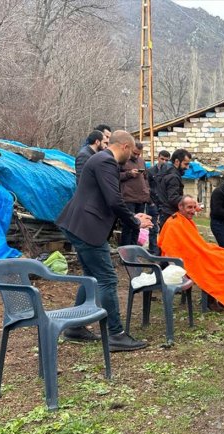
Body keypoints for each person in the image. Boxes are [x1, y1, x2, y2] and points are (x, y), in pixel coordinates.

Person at [56, 130, 152, 352]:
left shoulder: (100, 160)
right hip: (87, 227)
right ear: (126, 147)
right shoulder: (106, 161)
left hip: (80, 224)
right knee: (107, 279)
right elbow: (114, 200)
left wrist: (133, 218)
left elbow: (106, 198)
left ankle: (75, 328)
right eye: (131, 154)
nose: (130, 160)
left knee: (91, 276)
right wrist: (135, 224)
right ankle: (116, 334)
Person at [158, 195, 224, 311]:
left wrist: (204, 250)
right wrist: (200, 253)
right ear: (180, 207)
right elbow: (172, 250)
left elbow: (194, 242)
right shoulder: (173, 223)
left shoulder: (184, 220)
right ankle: (212, 300)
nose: (192, 211)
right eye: (189, 207)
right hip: (188, 260)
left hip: (198, 252)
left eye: (194, 207)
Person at [118, 140, 150, 246]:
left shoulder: (141, 161)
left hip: (141, 198)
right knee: (128, 226)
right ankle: (125, 250)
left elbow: (145, 178)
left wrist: (146, 190)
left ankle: (134, 249)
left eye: (138, 154)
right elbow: (115, 176)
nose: (136, 156)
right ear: (130, 149)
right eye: (134, 153)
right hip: (128, 198)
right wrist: (129, 174)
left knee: (138, 227)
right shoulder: (122, 160)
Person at [158, 148, 191, 227]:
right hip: (169, 214)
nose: (187, 167)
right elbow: (173, 198)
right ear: (177, 161)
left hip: (166, 213)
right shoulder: (173, 177)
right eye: (185, 164)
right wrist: (189, 201)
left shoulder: (168, 172)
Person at [146, 149, 171, 252]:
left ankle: (162, 249)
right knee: (152, 227)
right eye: (162, 159)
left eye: (166, 160)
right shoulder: (151, 171)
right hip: (153, 202)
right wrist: (150, 201)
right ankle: (153, 250)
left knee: (165, 227)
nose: (164, 162)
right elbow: (146, 187)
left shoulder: (169, 172)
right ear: (158, 158)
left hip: (164, 203)